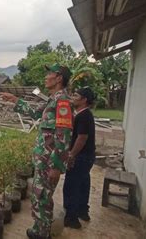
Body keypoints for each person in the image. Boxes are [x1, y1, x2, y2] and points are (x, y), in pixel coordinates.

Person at [0, 63, 73, 239]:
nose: (45, 77)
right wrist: (15, 100)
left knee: (43, 198)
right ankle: (39, 229)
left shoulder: (62, 102)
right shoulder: (52, 100)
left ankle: (42, 234)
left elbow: (63, 137)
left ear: (58, 78)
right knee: (40, 196)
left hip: (50, 163)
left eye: (49, 74)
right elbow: (34, 113)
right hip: (43, 160)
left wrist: (57, 166)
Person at [63, 87, 96, 229]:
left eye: (76, 95)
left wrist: (71, 155)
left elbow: (82, 138)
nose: (73, 97)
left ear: (84, 100)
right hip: (87, 156)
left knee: (72, 186)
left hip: (81, 157)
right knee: (83, 184)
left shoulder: (83, 116)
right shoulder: (84, 114)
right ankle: (83, 211)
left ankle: (71, 218)